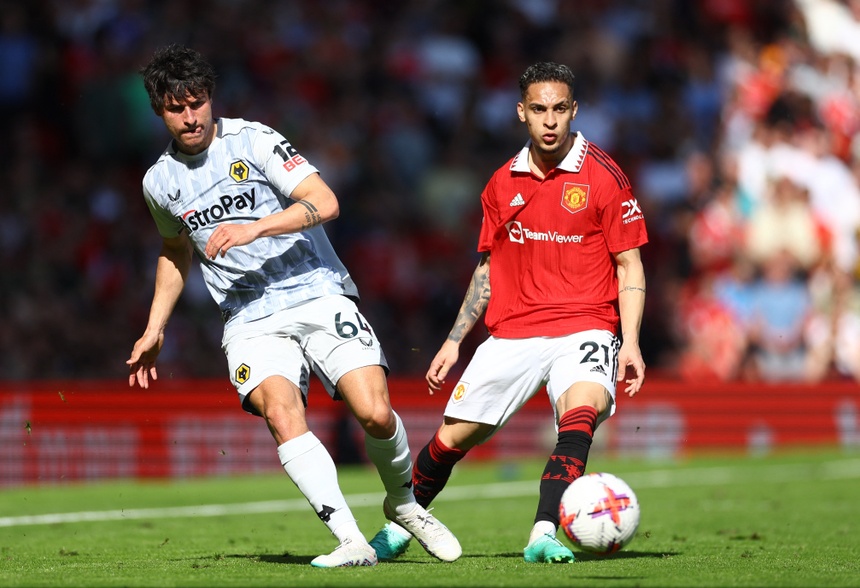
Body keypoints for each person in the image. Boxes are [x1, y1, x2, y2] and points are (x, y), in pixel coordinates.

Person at [126, 44, 461, 568]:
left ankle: (403, 504)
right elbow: (174, 250)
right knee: (282, 414)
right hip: (247, 316)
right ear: (159, 112)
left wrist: (255, 227)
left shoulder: (255, 140)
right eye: (176, 108)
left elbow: (325, 202)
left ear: (210, 98)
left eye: (196, 102)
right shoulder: (159, 182)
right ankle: (350, 540)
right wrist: (155, 328)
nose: (190, 117)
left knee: (374, 413)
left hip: (315, 288)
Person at [369, 62, 648, 563]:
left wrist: (629, 340)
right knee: (452, 438)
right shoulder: (501, 183)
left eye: (559, 109)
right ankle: (399, 526)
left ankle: (543, 532)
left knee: (579, 415)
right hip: (514, 330)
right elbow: (487, 269)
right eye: (539, 109)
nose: (549, 120)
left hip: (586, 323)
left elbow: (630, 264)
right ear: (521, 112)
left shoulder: (605, 177)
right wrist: (454, 340)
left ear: (574, 111)